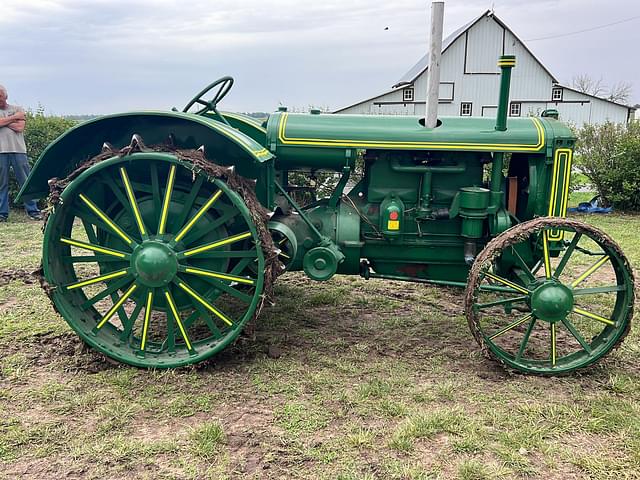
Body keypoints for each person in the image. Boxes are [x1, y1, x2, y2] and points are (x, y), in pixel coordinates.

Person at [0, 84, 41, 222]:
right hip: (1, 152)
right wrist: (13, 118)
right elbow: (13, 123)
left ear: (5, 96)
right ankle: (2, 214)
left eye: (0, 96)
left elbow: (20, 127)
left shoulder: (18, 109)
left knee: (25, 181)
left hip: (18, 150)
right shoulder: (16, 113)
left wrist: (4, 122)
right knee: (1, 183)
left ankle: (33, 211)